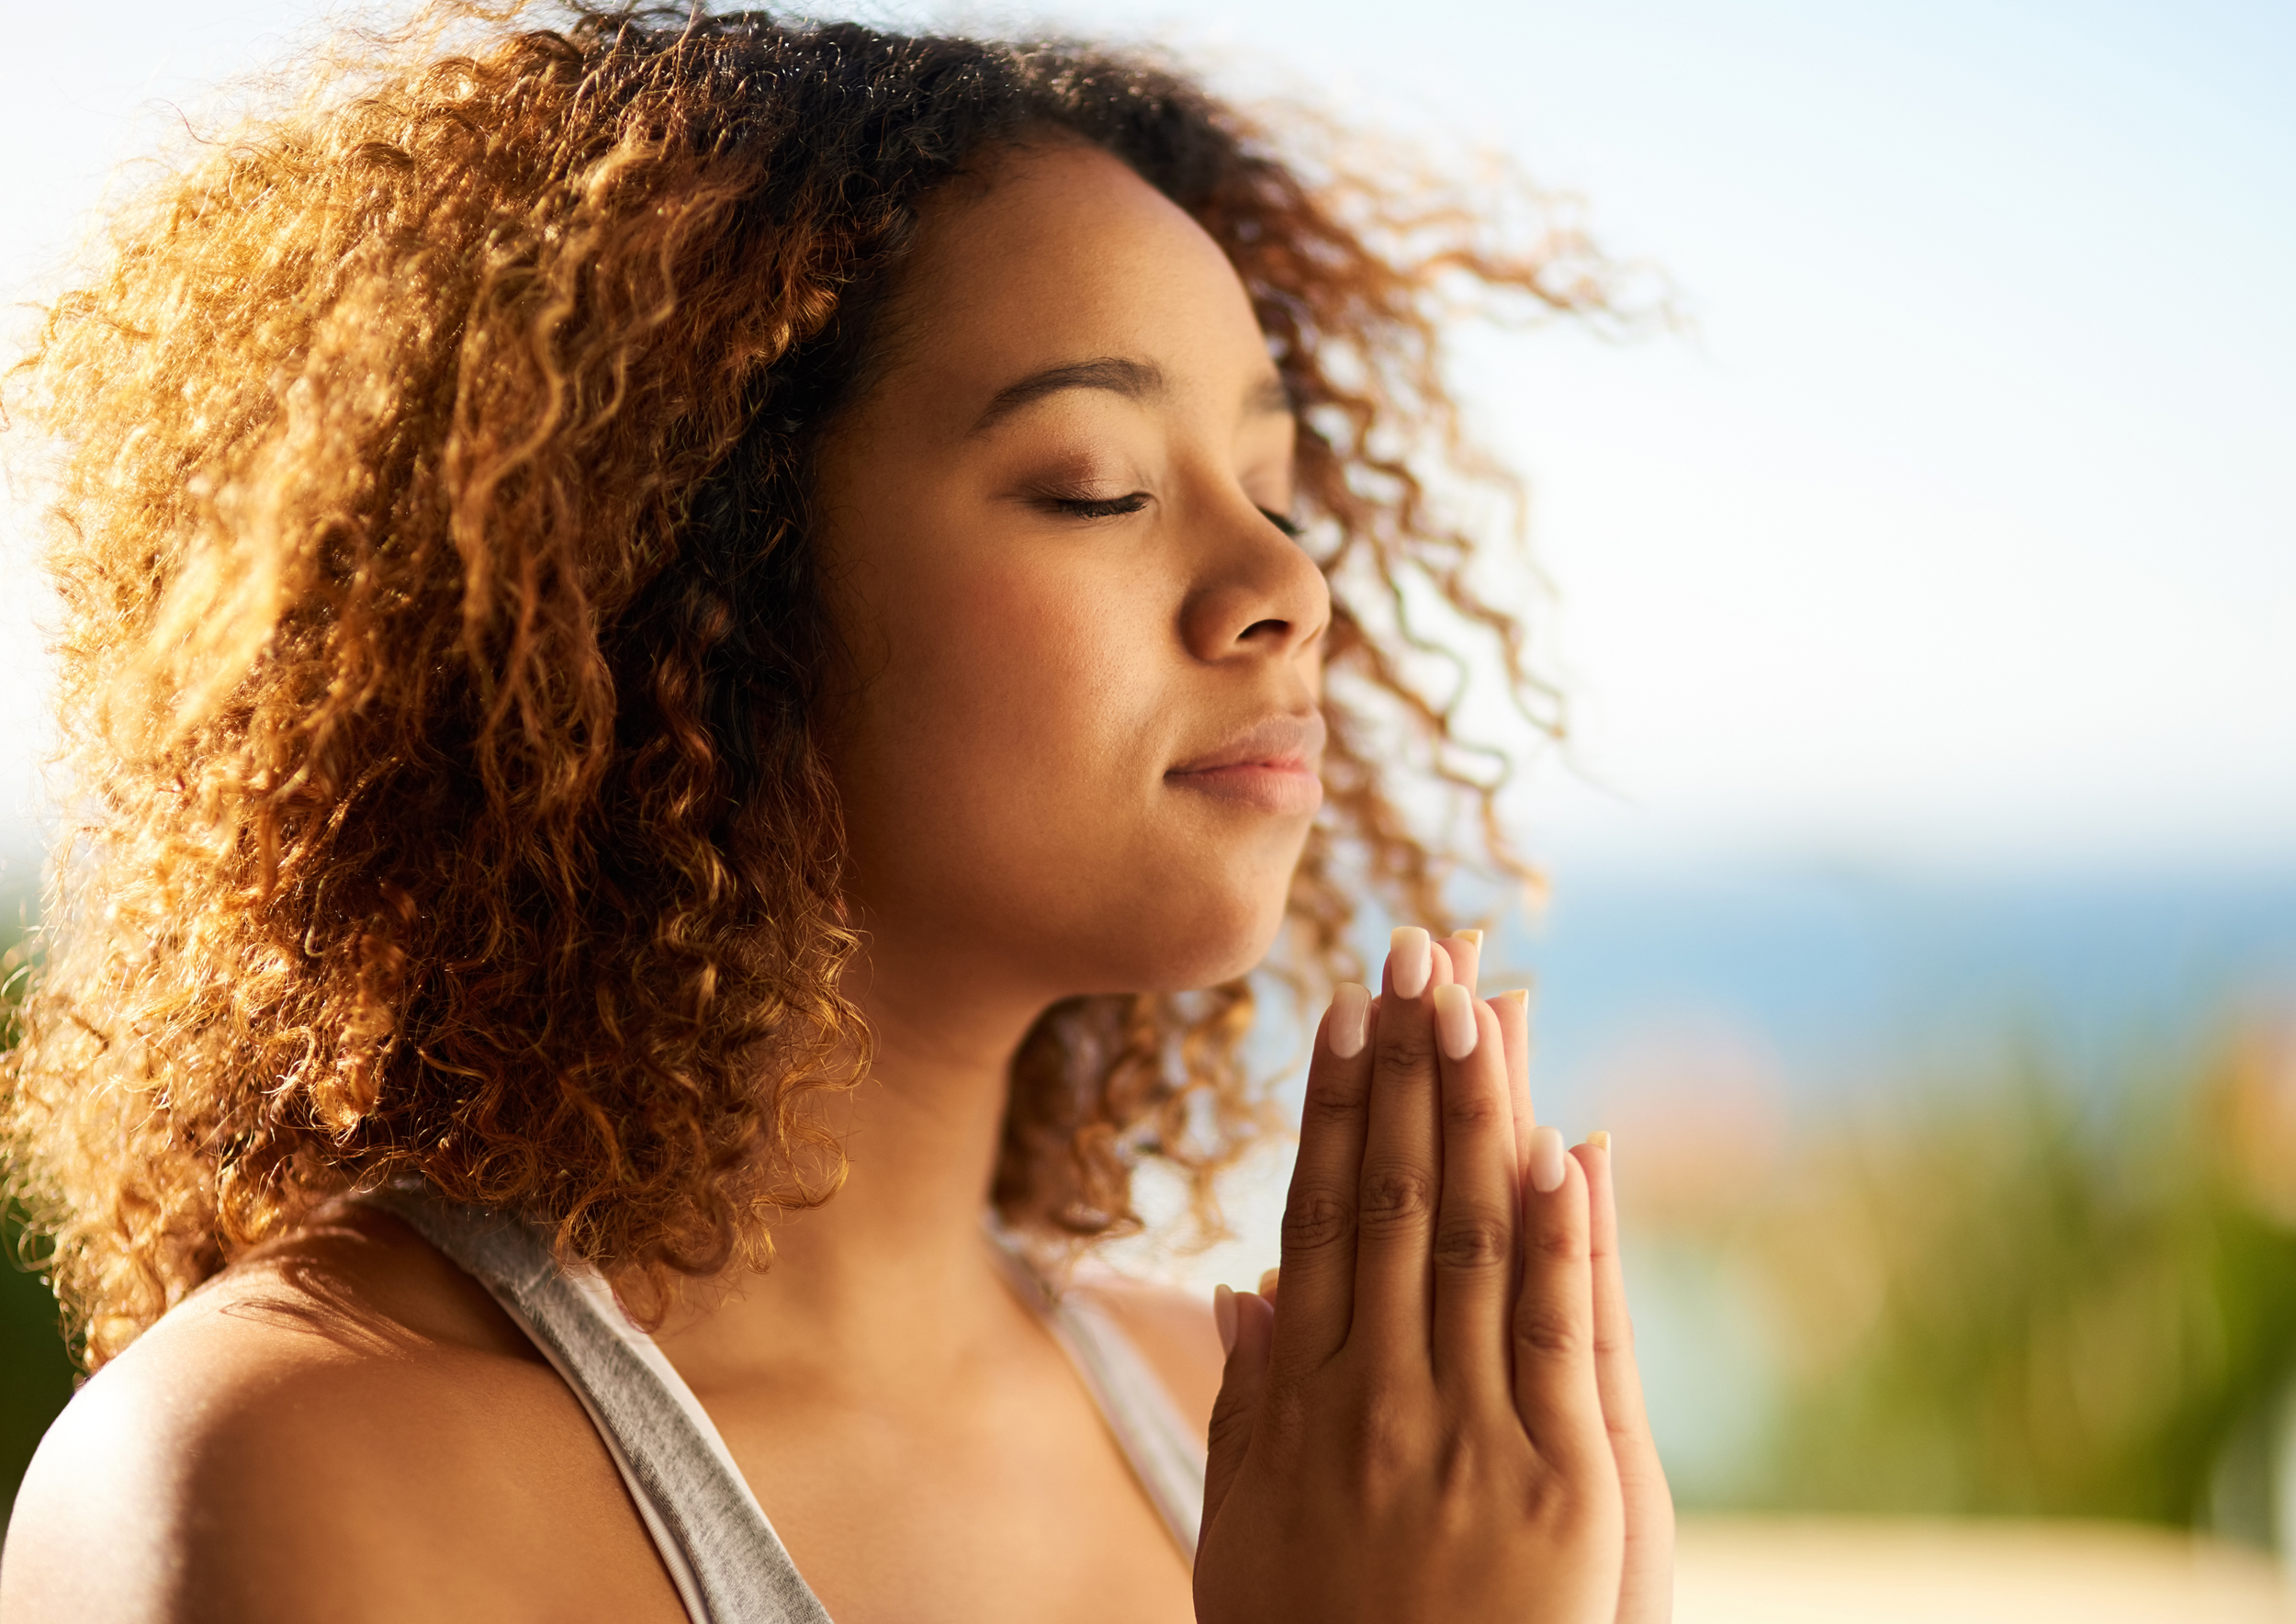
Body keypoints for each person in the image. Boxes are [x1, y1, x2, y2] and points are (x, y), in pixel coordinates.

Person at [0, 6, 1672, 1619]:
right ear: (686, 580)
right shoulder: (292, 1468)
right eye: (1099, 486)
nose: (1285, 583)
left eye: (1281, 492)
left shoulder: (1289, 1434)